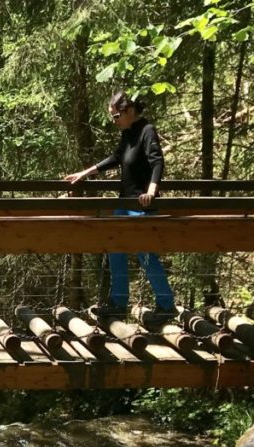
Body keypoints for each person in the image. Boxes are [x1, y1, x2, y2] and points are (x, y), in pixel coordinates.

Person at [65, 91, 177, 323]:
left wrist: (152, 191)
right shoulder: (128, 133)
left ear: (129, 111)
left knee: (146, 255)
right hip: (124, 204)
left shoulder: (147, 130)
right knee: (115, 251)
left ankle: (166, 306)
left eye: (116, 116)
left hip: (141, 206)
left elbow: (157, 161)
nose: (114, 121)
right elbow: (116, 157)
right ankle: (118, 303)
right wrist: (85, 173)